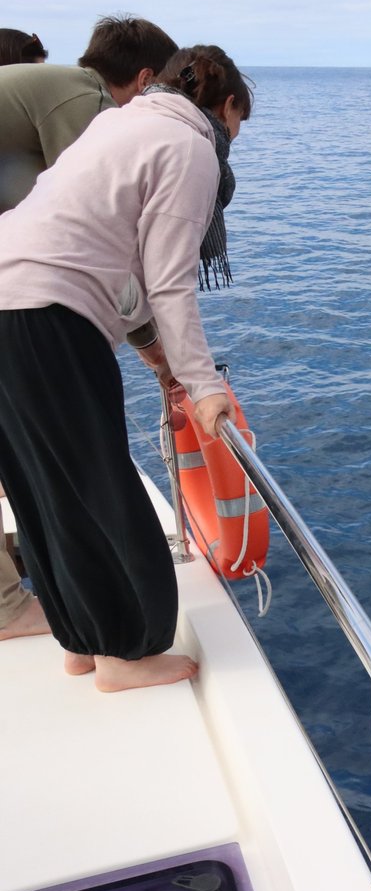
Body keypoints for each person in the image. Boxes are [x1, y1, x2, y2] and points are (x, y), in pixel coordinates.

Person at [0, 44, 252, 692]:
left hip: (10, 296)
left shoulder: (118, 123)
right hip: (48, 315)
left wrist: (163, 363)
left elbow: (118, 265)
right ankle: (124, 653)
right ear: (224, 107)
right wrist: (202, 384)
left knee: (42, 489)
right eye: (237, 128)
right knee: (101, 489)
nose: (232, 142)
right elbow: (169, 282)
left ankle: (81, 643)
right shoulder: (192, 148)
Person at [0, 15, 177, 643]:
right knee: (84, 473)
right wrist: (162, 356)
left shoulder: (34, 99)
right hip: (27, 310)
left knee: (26, 467)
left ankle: (34, 610)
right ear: (147, 80)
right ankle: (109, 640)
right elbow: (89, 232)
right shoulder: (85, 99)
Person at [0, 15, 177, 212]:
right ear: (146, 79)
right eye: (167, 90)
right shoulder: (89, 98)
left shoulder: (69, 85)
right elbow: (90, 197)